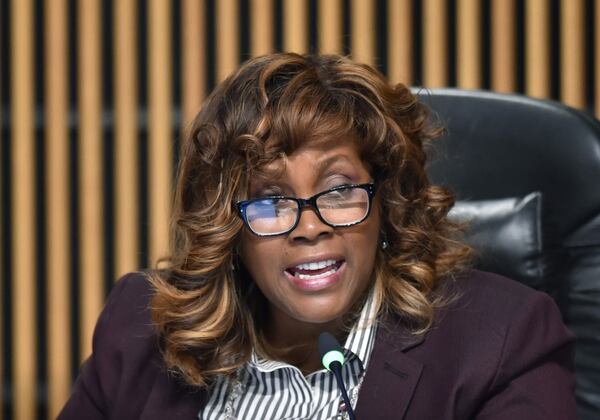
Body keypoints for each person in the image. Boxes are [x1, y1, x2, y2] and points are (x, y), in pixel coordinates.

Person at [59, 53, 576, 419]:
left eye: (338, 190)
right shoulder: (141, 329)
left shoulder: (503, 341)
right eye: (269, 199)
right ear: (230, 228)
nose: (310, 227)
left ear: (386, 204)